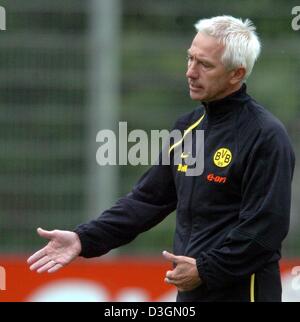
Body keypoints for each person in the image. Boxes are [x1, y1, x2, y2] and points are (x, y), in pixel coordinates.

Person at [27, 15, 295, 302]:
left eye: (205, 65)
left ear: (236, 74)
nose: (191, 72)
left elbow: (266, 228)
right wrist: (84, 238)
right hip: (192, 291)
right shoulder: (187, 129)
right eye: (190, 59)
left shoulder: (265, 136)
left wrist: (206, 269)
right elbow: (147, 200)